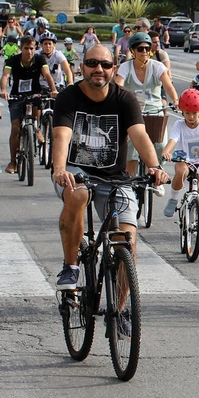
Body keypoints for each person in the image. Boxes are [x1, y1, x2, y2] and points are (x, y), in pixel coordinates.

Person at [49, 45, 171, 290]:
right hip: (76, 172)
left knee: (126, 242)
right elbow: (61, 135)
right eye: (92, 63)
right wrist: (60, 169)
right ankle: (71, 266)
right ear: (82, 67)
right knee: (78, 194)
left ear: (113, 69)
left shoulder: (124, 98)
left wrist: (155, 166)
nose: (98, 69)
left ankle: (122, 308)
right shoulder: (69, 97)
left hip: (115, 177)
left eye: (105, 65)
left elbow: (139, 135)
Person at [161, 89, 199, 247]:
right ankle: (173, 199)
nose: (191, 117)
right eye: (187, 113)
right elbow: (173, 140)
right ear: (182, 112)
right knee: (181, 172)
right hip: (183, 159)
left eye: (194, 113)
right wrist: (166, 151)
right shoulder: (179, 125)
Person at [114, 31, 179, 175]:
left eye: (147, 48)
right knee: (130, 150)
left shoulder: (157, 66)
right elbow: (118, 86)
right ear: (132, 51)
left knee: (161, 145)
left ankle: (157, 175)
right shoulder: (125, 67)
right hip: (132, 111)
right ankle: (130, 182)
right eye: (140, 48)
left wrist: (175, 100)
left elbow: (168, 86)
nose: (144, 51)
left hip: (155, 110)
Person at [0, 37, 56, 174]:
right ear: (21, 48)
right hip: (16, 96)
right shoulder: (12, 60)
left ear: (35, 48)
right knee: (15, 128)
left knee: (36, 110)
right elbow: (5, 76)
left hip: (35, 94)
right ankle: (13, 162)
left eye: (32, 48)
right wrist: (3, 90)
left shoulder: (40, 59)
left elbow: (47, 75)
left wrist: (53, 89)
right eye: (26, 48)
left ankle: (37, 129)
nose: (29, 51)